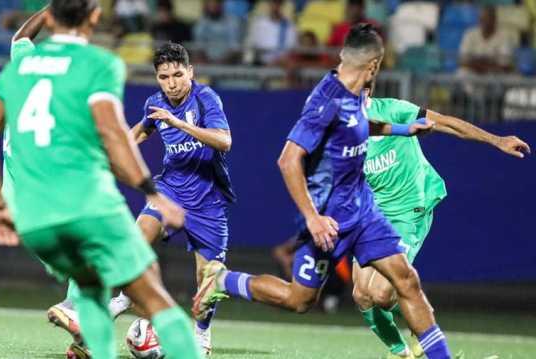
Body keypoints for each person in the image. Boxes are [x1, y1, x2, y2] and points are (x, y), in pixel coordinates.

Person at [193, 24, 455, 359]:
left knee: (406, 281)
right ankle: (222, 280)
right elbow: (288, 160)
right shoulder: (325, 101)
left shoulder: (358, 90)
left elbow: (360, 123)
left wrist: (404, 129)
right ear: (374, 65)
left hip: (363, 212)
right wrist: (312, 218)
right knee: (299, 300)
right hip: (327, 218)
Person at [0, 1, 204, 359]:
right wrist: (152, 193)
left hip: (26, 211)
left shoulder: (20, 67)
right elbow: (113, 134)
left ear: (49, 17)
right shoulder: (99, 64)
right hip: (79, 201)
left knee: (91, 279)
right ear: (95, 17)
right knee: (149, 288)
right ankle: (77, 311)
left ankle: (84, 333)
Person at [272, 82, 531, 358]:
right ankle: (401, 353)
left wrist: (497, 140)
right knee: (362, 295)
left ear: (367, 92)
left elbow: (446, 124)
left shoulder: (396, 111)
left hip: (411, 208)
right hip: (374, 216)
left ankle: (424, 325)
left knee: (382, 293)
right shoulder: (342, 135)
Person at [49, 42, 235, 356]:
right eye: (164, 77)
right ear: (157, 78)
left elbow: (224, 141)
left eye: (178, 74)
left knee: (208, 283)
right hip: (170, 192)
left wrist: (178, 123)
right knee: (132, 245)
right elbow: (137, 133)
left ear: (190, 71)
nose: (172, 83)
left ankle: (202, 338)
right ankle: (99, 312)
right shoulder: (155, 103)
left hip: (208, 202)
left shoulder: (206, 98)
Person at [459, 5, 518, 75]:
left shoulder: (505, 36)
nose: (484, 22)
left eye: (487, 19)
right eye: (482, 19)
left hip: (496, 73)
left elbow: (504, 64)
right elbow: (463, 60)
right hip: (474, 71)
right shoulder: (469, 34)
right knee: (462, 74)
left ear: (494, 20)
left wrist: (478, 62)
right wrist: (487, 62)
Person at [245, 0, 296, 65]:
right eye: (273, 3)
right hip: (262, 63)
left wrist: (277, 60)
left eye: (278, 4)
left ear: (282, 6)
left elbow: (290, 47)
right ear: (269, 5)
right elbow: (255, 44)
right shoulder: (259, 24)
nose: (275, 6)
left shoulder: (289, 26)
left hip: (282, 63)